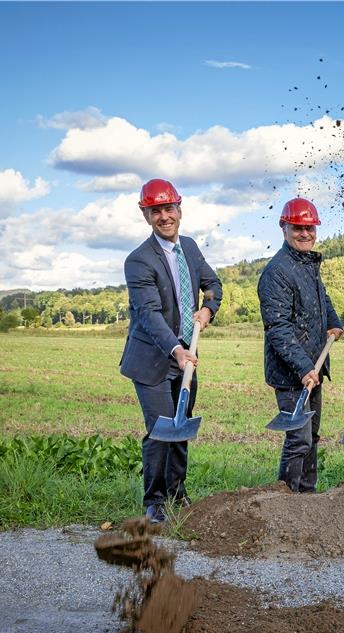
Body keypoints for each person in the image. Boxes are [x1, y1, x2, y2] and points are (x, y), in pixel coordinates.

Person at [120, 179, 222, 523]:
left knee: (180, 427)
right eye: (156, 211)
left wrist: (208, 309)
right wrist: (177, 350)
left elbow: (213, 284)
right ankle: (154, 501)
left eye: (169, 209)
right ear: (146, 214)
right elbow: (148, 315)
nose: (164, 216)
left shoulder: (189, 248)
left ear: (179, 209)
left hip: (185, 358)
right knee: (162, 428)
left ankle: (178, 493)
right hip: (152, 359)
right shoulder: (138, 261)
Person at [258, 198, 344, 493]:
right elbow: (278, 328)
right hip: (291, 371)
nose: (305, 233)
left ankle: (307, 494)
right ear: (284, 227)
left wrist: (334, 321)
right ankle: (286, 497)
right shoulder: (277, 272)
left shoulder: (307, 264)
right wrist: (304, 367)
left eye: (310, 228)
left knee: (313, 436)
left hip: (313, 365)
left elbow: (322, 299)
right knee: (299, 438)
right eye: (298, 227)